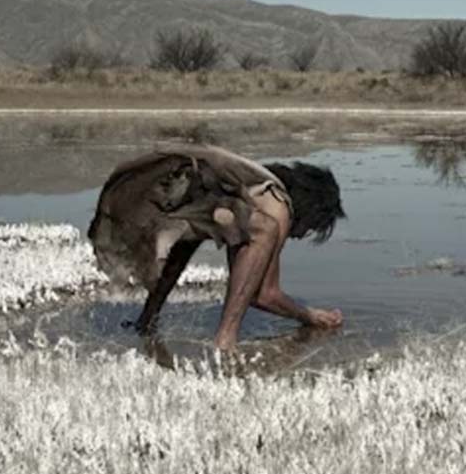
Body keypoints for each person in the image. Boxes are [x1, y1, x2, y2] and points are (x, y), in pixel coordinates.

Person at [87, 144, 345, 350]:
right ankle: (225, 340)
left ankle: (147, 322)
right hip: (160, 191)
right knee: (266, 230)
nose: (300, 236)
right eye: (310, 230)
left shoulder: (249, 188)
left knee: (203, 234)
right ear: (311, 211)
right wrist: (310, 316)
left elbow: (182, 247)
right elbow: (264, 295)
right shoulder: (277, 205)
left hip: (148, 190)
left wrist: (148, 317)